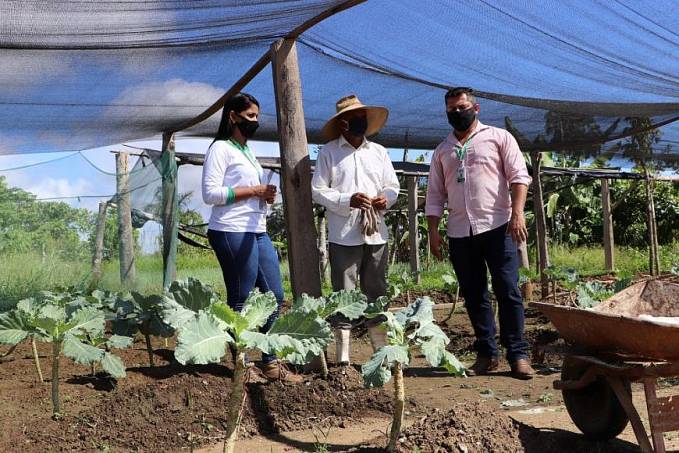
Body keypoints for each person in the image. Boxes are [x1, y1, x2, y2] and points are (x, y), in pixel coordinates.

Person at [425, 87, 535, 379]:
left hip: (498, 225)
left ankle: (518, 355)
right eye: (451, 109)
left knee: (508, 290)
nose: (456, 113)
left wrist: (518, 213)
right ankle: (486, 354)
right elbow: (435, 195)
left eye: (461, 107)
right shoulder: (442, 150)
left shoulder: (498, 138)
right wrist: (433, 231)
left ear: (476, 108)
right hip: (460, 231)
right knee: (474, 296)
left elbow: (519, 177)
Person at [202, 92, 302, 383]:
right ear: (232, 116)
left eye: (257, 117)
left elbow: (248, 190)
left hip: (257, 229)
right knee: (241, 297)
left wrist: (265, 196)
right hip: (230, 231)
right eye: (250, 117)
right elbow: (211, 194)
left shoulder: (246, 151)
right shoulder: (220, 149)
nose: (255, 122)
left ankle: (271, 363)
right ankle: (242, 366)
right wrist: (254, 191)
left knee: (275, 296)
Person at [311, 94, 400, 365]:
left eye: (362, 116)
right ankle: (344, 358)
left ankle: (380, 353)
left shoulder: (379, 152)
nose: (360, 120)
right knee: (344, 293)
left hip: (375, 232)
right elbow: (317, 191)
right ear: (343, 124)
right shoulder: (329, 152)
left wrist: (386, 198)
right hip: (343, 233)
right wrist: (346, 200)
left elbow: (392, 186)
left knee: (377, 288)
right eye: (354, 118)